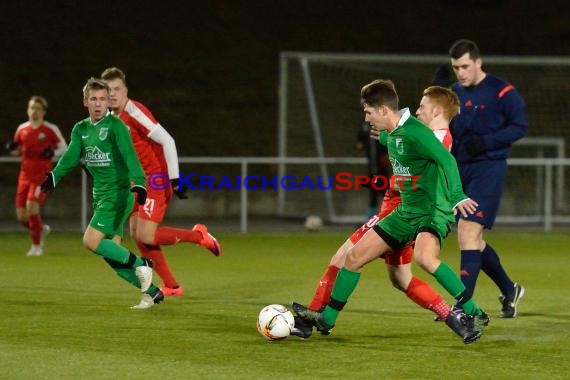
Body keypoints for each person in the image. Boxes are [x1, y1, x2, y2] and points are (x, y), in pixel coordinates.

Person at [293, 79, 489, 342]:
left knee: (424, 259)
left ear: (384, 110)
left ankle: (472, 310)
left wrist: (455, 196)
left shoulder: (418, 132)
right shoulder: (396, 132)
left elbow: (446, 159)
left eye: (368, 112)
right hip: (404, 212)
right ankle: (326, 319)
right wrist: (383, 135)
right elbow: (395, 138)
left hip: (430, 213)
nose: (366, 118)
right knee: (354, 258)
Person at [40, 77, 162, 309]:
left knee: (90, 240)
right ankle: (152, 293)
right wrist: (55, 175)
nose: (98, 104)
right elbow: (72, 155)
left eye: (103, 99)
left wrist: (140, 183)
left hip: (118, 194)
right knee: (112, 253)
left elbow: (129, 155)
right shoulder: (81, 128)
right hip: (100, 195)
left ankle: (142, 263)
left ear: (108, 103)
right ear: (85, 101)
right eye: (93, 99)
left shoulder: (116, 126)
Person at [100, 67, 221, 297]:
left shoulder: (134, 111)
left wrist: (175, 179)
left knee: (146, 235)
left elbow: (168, 140)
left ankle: (199, 236)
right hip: (136, 182)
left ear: (125, 90)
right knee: (138, 234)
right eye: (108, 90)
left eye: (117, 89)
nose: (112, 94)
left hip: (155, 178)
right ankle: (173, 286)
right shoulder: (110, 118)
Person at [448, 39, 527, 318]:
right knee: (474, 241)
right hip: (461, 170)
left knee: (467, 231)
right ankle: (509, 289)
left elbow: (520, 126)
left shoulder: (502, 91)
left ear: (478, 62)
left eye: (465, 66)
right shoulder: (454, 93)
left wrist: (487, 143)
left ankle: (463, 306)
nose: (461, 72)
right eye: (456, 67)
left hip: (489, 168)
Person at [6, 96, 67, 256]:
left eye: (38, 108)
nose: (34, 111)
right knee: (21, 216)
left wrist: (52, 152)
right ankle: (40, 229)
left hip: (41, 176)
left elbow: (64, 148)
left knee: (32, 206)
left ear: (44, 112)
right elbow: (17, 149)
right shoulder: (22, 129)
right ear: (28, 110)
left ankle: (36, 247)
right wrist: (13, 147)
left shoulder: (50, 129)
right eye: (32, 108)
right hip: (24, 175)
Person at [355, 121, 389, 219]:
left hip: (382, 169)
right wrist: (360, 144)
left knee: (385, 194)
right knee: (373, 195)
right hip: (372, 168)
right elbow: (359, 141)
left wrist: (386, 155)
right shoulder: (365, 126)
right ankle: (371, 220)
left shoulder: (382, 125)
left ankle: (388, 217)